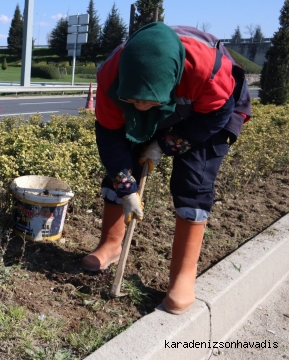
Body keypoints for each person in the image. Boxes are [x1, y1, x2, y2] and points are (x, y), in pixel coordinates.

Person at [83, 23, 251, 315]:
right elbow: (110, 138)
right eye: (132, 99)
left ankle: (182, 276)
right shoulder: (111, 77)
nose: (139, 105)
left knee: (193, 180)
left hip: (206, 115)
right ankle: (110, 245)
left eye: (146, 100)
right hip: (161, 101)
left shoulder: (208, 73)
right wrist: (126, 189)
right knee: (123, 162)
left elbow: (212, 120)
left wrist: (165, 145)